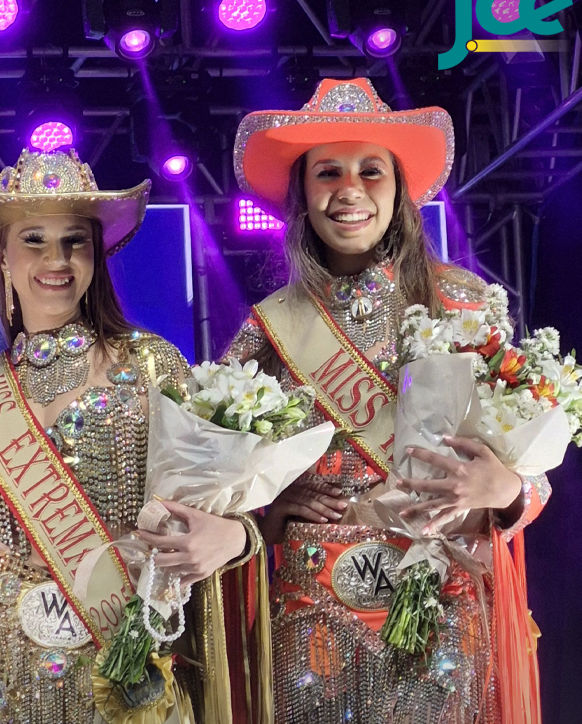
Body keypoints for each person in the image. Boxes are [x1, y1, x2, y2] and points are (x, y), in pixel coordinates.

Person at [0, 148, 268, 724]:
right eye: (34, 240)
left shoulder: (152, 366)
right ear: (1, 257)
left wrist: (234, 535)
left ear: (96, 255)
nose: (58, 259)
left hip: (124, 661)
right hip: (0, 676)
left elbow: (216, 501)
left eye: (76, 241)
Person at [225, 78, 548, 723]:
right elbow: (221, 488)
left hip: (442, 610)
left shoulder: (464, 303)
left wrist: (504, 487)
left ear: (399, 189)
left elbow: (532, 475)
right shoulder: (267, 327)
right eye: (327, 173)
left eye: (371, 170)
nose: (349, 190)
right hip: (312, 621)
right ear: (302, 195)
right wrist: (266, 502)